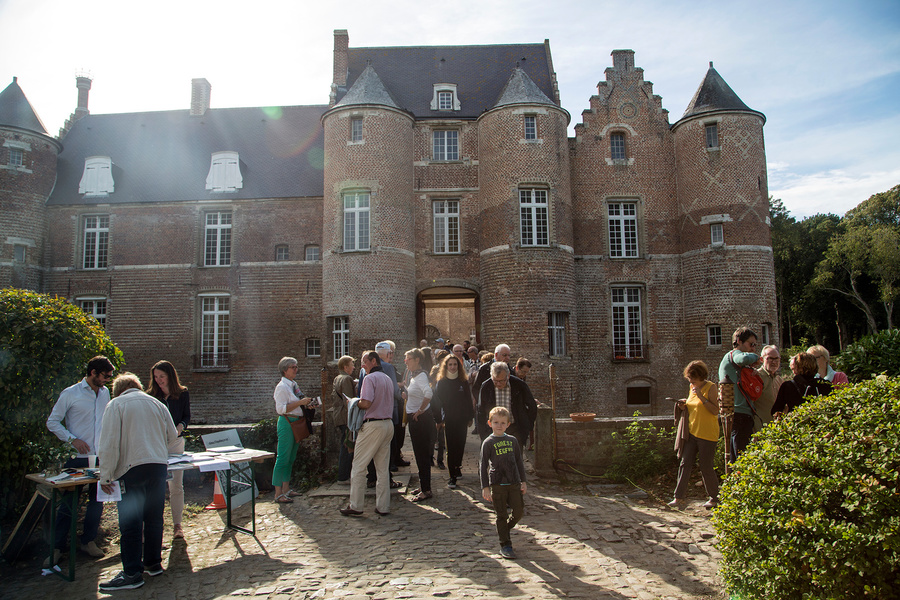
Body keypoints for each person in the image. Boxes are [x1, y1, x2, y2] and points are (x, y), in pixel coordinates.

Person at [97, 373, 177, 591]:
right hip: (158, 466)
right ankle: (153, 563)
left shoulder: (116, 405)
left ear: (118, 391)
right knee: (154, 518)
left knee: (130, 522)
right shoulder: (157, 404)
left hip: (131, 469)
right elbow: (172, 435)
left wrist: (105, 475)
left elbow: (109, 442)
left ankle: (132, 572)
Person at [45, 355, 114, 565]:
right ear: (93, 372)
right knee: (68, 504)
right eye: (105, 376)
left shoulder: (105, 393)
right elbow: (52, 422)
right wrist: (72, 439)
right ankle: (57, 548)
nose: (107, 380)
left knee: (97, 502)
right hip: (76, 459)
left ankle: (88, 541)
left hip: (99, 457)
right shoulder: (70, 393)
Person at [341, 350, 395, 516]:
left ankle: (356, 505)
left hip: (373, 426)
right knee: (382, 469)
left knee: (358, 466)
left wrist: (354, 403)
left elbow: (366, 403)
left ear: (373, 361)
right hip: (388, 424)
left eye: (364, 362)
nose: (362, 366)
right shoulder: (387, 378)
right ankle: (383, 506)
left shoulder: (370, 378)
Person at [145, 360, 191, 539]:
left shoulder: (182, 393)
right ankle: (154, 525)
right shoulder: (150, 396)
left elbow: (187, 415)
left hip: (175, 443)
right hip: (155, 443)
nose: (159, 380)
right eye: (156, 377)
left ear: (170, 376)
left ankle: (177, 525)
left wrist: (181, 426)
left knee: (176, 485)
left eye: (162, 377)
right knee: (155, 484)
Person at [670, 361, 720, 509]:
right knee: (685, 464)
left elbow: (715, 410)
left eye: (694, 380)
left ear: (701, 376)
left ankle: (714, 498)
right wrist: (683, 405)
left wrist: (701, 397)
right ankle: (678, 497)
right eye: (690, 380)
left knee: (706, 466)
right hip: (692, 432)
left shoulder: (711, 387)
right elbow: (693, 407)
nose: (692, 382)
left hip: (707, 434)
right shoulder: (691, 387)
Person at [480, 406, 527, 560]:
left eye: (502, 423)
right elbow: (483, 465)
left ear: (508, 424)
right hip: (497, 484)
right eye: (496, 422)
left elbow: (519, 462)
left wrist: (523, 481)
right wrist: (485, 486)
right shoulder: (488, 442)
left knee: (518, 511)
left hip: (513, 483)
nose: (499, 426)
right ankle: (505, 544)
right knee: (501, 515)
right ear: (490, 423)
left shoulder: (512, 441)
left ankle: (504, 529)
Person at [273, 357, 314, 504]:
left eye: (296, 367)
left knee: (290, 458)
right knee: (282, 458)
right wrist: (300, 402)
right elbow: (281, 409)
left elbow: (297, 403)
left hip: (296, 422)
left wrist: (306, 405)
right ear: (285, 370)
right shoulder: (282, 387)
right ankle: (278, 493)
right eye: (293, 367)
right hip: (287, 423)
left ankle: (286, 488)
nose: (296, 370)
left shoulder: (293, 385)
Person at [718, 327, 761, 463]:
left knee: (736, 457)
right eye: (751, 344)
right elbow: (742, 359)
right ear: (739, 341)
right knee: (741, 458)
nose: (753, 348)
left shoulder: (733, 360)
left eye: (755, 345)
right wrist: (759, 358)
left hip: (740, 413)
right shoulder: (734, 355)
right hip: (739, 413)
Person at [432, 353, 474, 489]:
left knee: (460, 445)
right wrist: (439, 419)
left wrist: (470, 417)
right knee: (450, 446)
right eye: (450, 364)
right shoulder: (442, 382)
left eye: (455, 364)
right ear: (446, 366)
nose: (452, 367)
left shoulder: (463, 381)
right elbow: (438, 402)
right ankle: (452, 476)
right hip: (449, 419)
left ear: (458, 366)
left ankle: (457, 467)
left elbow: (468, 400)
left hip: (462, 418)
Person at [476, 361, 537, 446]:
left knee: (515, 457)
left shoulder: (519, 385)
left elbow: (532, 405)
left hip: (515, 428)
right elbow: (480, 410)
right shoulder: (486, 386)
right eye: (495, 380)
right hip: (493, 430)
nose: (498, 384)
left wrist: (527, 425)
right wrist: (483, 433)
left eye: (501, 381)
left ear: (508, 376)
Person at [402, 348, 435, 502]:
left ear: (417, 360)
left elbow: (428, 394)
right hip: (416, 420)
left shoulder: (420, 376)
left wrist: (420, 411)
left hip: (420, 421)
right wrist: (407, 394)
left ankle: (426, 490)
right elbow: (419, 394)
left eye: (408, 358)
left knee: (422, 455)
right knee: (420, 454)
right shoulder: (415, 376)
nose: (405, 361)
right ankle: (424, 485)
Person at [332, 355, 355, 483]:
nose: (353, 367)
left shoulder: (337, 378)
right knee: (347, 445)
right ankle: (343, 476)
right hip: (345, 417)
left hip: (339, 415)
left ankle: (343, 474)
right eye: (352, 364)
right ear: (345, 367)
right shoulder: (346, 379)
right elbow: (349, 401)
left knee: (345, 444)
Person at [754, 345, 783, 430]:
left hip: (777, 429)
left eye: (776, 359)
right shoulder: (756, 377)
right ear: (762, 360)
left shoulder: (779, 380)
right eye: (770, 358)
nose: (774, 362)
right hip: (760, 428)